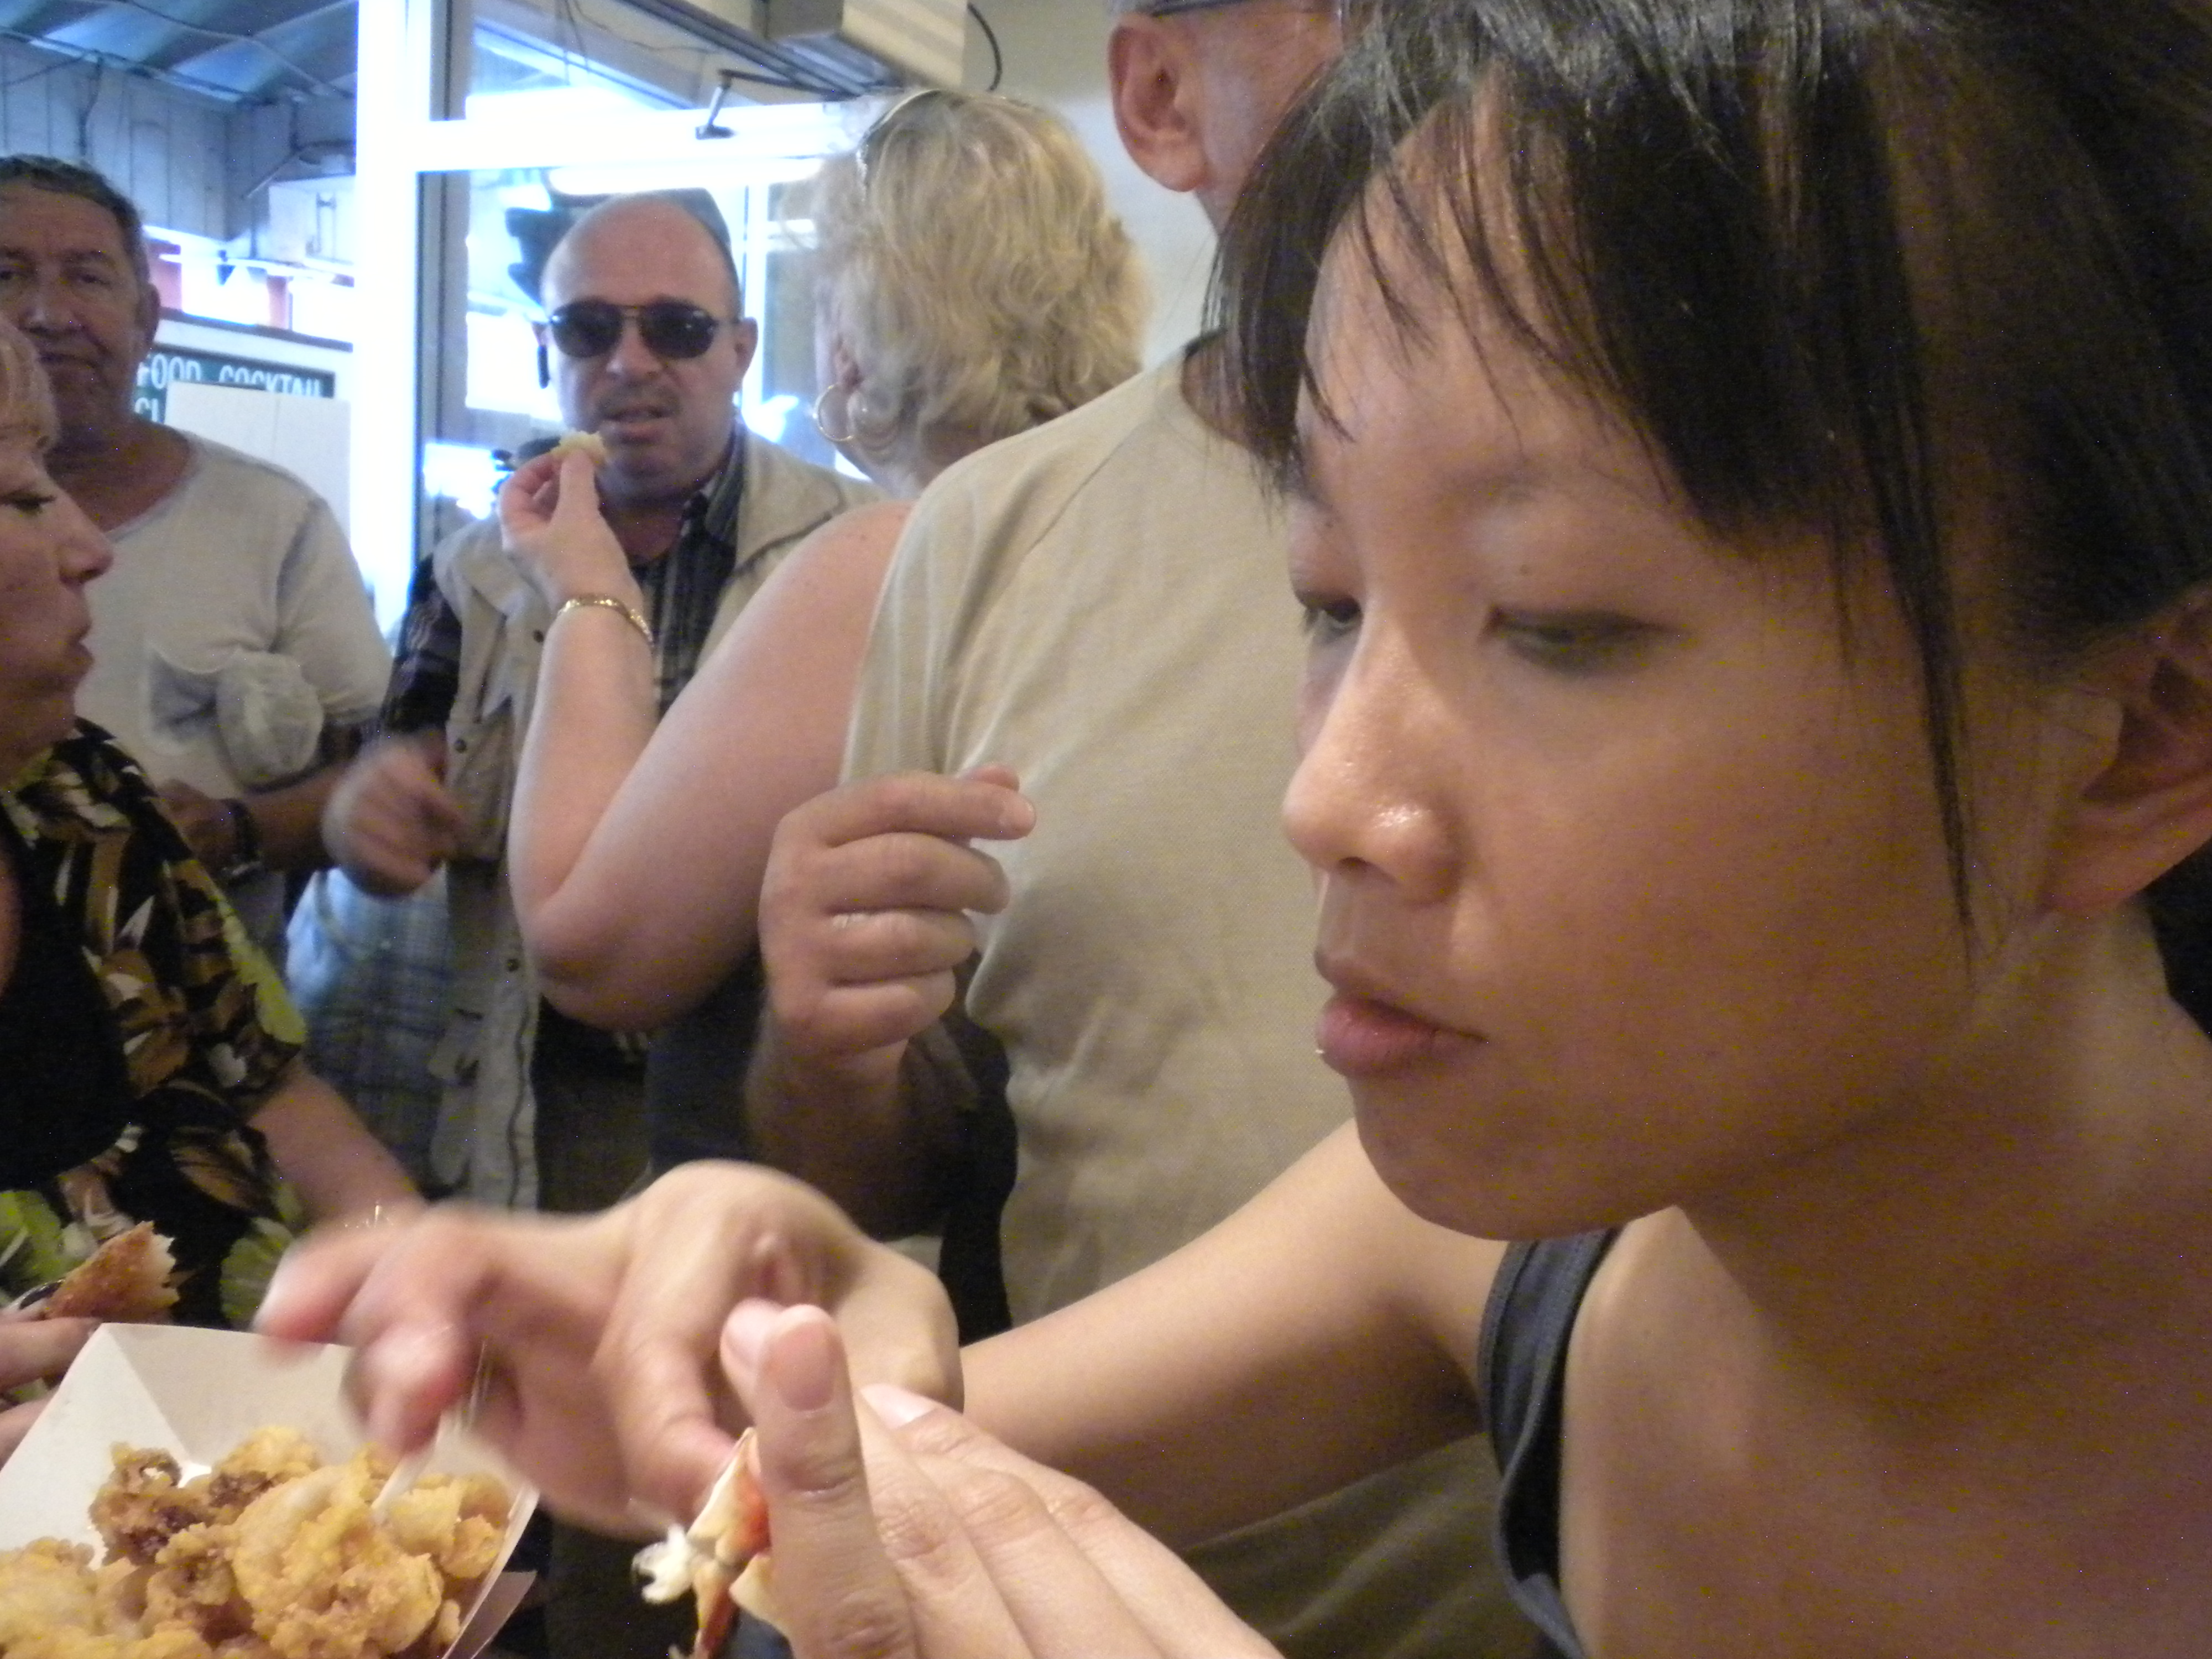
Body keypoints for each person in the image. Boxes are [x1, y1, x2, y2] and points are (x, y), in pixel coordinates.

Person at [264, 0, 2212, 1654]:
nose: (1325, 797)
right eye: (1330, 600)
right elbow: (860, 1450)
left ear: (2136, 736)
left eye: (1559, 623)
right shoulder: (1522, 1264)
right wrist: (790, 1372)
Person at [731, 1, 1524, 1652]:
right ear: (1161, 96)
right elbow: (902, 1161)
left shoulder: (1717, 499)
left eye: (1571, 630)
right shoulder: (991, 538)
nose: (1334, 803)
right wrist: (827, 1041)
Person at [498, 92, 1143, 1180]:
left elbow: (586, 952)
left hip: (891, 1218)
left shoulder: (901, 558)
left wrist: (588, 590)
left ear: (851, 336)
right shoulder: (1136, 527)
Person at [322, 191, 880, 1215]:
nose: (629, 362)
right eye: (588, 328)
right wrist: (370, 812)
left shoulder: (857, 552)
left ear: (742, 351)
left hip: (777, 1096)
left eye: (677, 328)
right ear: (547, 351)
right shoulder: (473, 571)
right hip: (551, 1104)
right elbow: (408, 768)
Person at [0, 312, 411, 1464]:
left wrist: (419, 1283)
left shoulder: (83, 804)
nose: (90, 547)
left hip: (264, 1486)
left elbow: (280, 1098)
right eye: (23, 497)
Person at [0, 156, 392, 963]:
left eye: (88, 278)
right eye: (8, 275)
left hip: (206, 991)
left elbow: (372, 765)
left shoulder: (274, 520)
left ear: (146, 319)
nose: (47, 314)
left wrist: (239, 829)